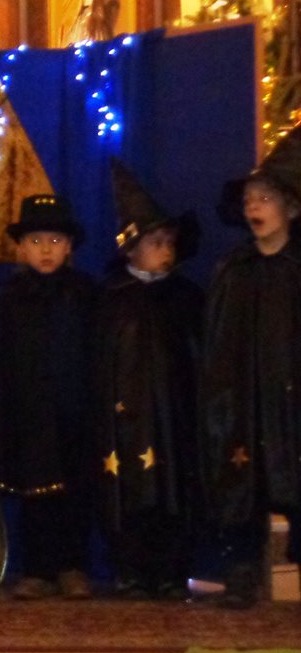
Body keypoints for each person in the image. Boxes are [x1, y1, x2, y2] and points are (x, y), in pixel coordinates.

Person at [0, 194, 97, 600]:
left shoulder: (85, 293)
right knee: (34, 494)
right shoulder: (11, 297)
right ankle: (37, 569)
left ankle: (73, 567)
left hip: (75, 409)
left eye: (55, 241)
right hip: (28, 411)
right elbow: (1, 357)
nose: (46, 250)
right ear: (22, 248)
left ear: (70, 247)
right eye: (36, 241)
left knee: (76, 492)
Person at [200, 127, 301, 608]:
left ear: (290, 209)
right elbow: (218, 338)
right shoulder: (233, 270)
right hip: (243, 396)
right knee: (242, 480)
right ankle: (240, 570)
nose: (254, 208)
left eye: (265, 199)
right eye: (248, 201)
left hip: (292, 396)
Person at [95, 160, 204, 599]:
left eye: (170, 243)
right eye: (155, 243)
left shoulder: (186, 298)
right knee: (127, 490)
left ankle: (172, 571)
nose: (165, 251)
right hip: (123, 421)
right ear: (131, 249)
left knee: (173, 489)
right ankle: (131, 569)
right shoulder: (110, 300)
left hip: (173, 416)